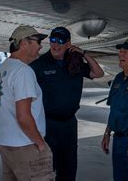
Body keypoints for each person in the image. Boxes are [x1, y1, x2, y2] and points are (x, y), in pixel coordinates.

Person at [31, 27, 104, 181]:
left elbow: (98, 73)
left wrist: (83, 53)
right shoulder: (40, 64)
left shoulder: (74, 62)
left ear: (68, 44)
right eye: (52, 40)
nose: (55, 44)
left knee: (69, 167)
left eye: (60, 41)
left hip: (69, 124)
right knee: (47, 167)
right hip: (48, 124)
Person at [0, 25, 55, 180]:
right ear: (24, 43)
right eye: (37, 41)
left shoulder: (2, 68)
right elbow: (23, 116)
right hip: (24, 144)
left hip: (4, 142)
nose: (40, 46)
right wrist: (40, 143)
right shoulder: (23, 71)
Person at [101, 37, 128, 181]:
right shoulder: (118, 78)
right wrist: (107, 133)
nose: (121, 54)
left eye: (126, 51)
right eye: (120, 51)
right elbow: (113, 108)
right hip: (118, 140)